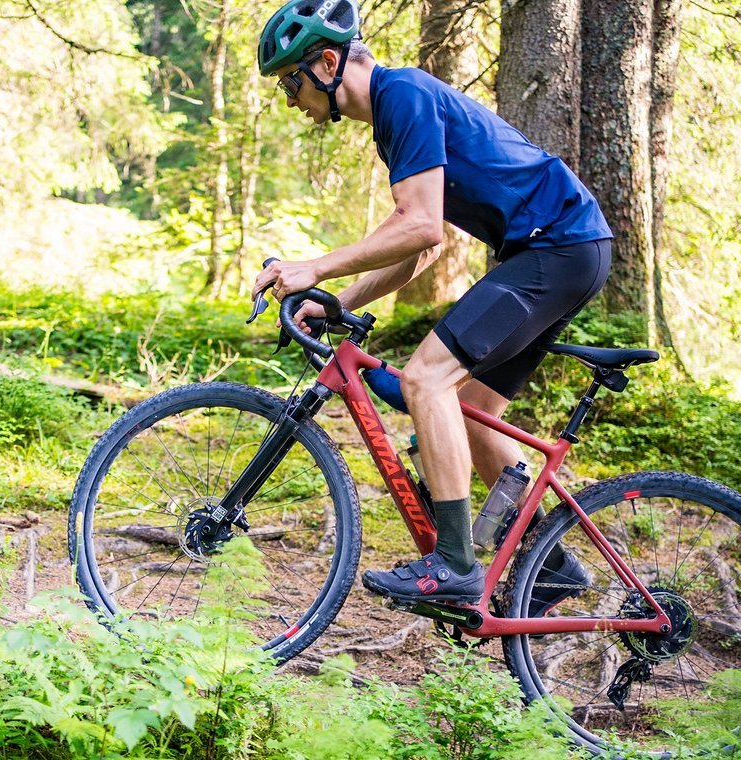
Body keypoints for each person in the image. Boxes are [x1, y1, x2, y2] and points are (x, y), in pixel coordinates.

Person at [252, 0, 611, 612]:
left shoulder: (404, 98)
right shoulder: (397, 115)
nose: (289, 98)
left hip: (557, 248)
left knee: (426, 378)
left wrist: (313, 266)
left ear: (329, 62)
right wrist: (338, 299)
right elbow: (421, 246)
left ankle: (455, 565)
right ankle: (552, 565)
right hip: (562, 250)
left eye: (291, 79)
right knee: (472, 411)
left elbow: (418, 227)